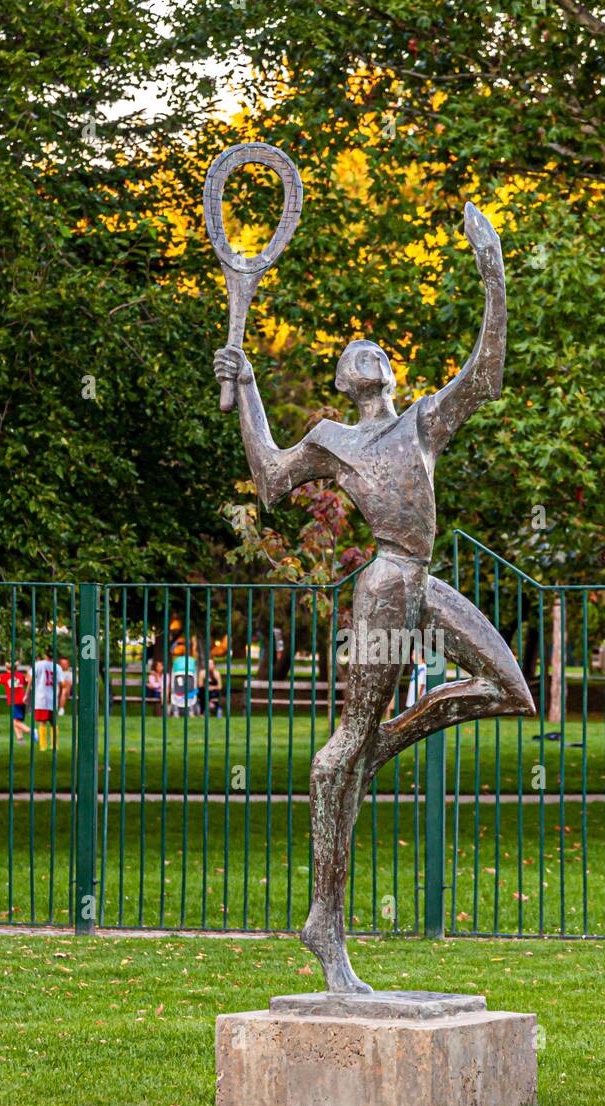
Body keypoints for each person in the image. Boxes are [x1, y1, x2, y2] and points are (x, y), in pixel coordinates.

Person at [214, 199, 534, 992]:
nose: (366, 351)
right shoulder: (331, 439)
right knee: (344, 744)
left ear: (389, 372)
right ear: (339, 379)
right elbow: (269, 479)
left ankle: (376, 748)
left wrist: (492, 273)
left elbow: (485, 371)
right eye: (351, 350)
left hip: (423, 579)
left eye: (376, 347)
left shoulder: (422, 422)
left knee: (512, 689)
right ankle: (326, 916)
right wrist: (247, 388)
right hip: (388, 583)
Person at [0, 663, 31, 742]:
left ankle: (31, 731)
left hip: (14, 701)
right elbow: (27, 682)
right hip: (22, 700)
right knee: (16, 720)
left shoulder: (4, 676)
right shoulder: (20, 675)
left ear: (6, 667)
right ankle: (20, 739)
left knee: (16, 722)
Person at [26, 651, 57, 750]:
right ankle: (54, 745)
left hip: (41, 697)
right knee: (53, 722)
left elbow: (29, 679)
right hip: (52, 697)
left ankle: (43, 746)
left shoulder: (37, 665)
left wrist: (26, 694)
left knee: (42, 722)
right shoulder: (55, 666)